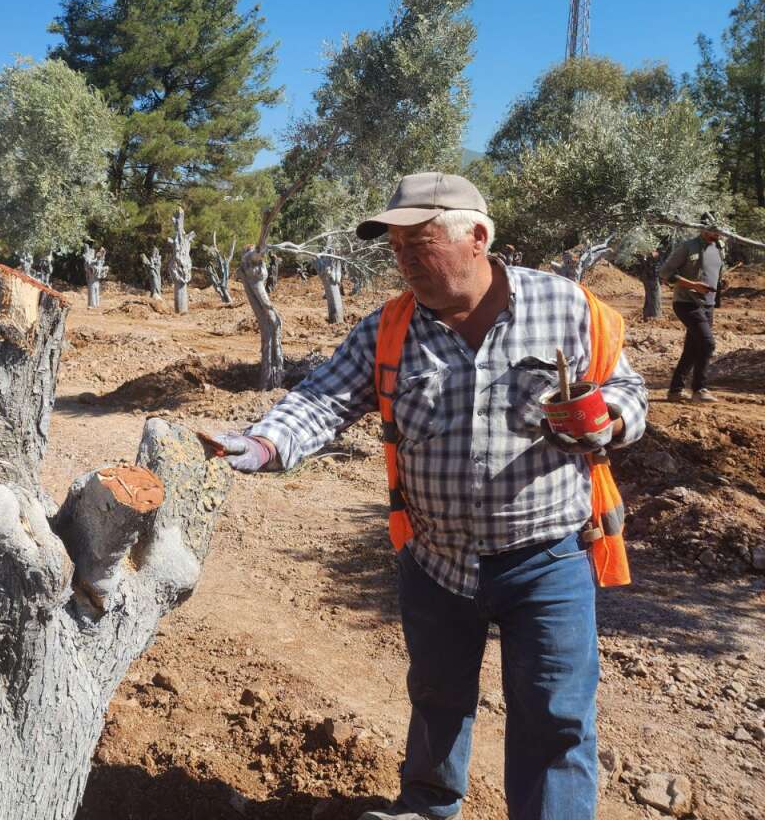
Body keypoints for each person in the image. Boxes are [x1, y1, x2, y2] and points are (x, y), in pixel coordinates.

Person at [214, 172, 648, 820]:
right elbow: (322, 397)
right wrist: (264, 445)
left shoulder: (568, 308)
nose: (405, 258)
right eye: (395, 246)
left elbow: (626, 390)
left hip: (547, 558)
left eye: (420, 240)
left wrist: (607, 416)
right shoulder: (386, 330)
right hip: (435, 560)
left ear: (477, 237)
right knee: (438, 699)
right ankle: (428, 808)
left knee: (554, 717)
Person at [658, 214, 723, 402]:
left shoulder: (719, 248)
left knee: (693, 349)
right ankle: (700, 389)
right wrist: (694, 285)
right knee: (707, 343)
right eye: (715, 229)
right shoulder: (688, 247)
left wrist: (721, 283)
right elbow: (664, 272)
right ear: (703, 228)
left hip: (708, 305)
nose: (719, 233)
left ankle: (675, 391)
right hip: (686, 303)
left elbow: (714, 273)